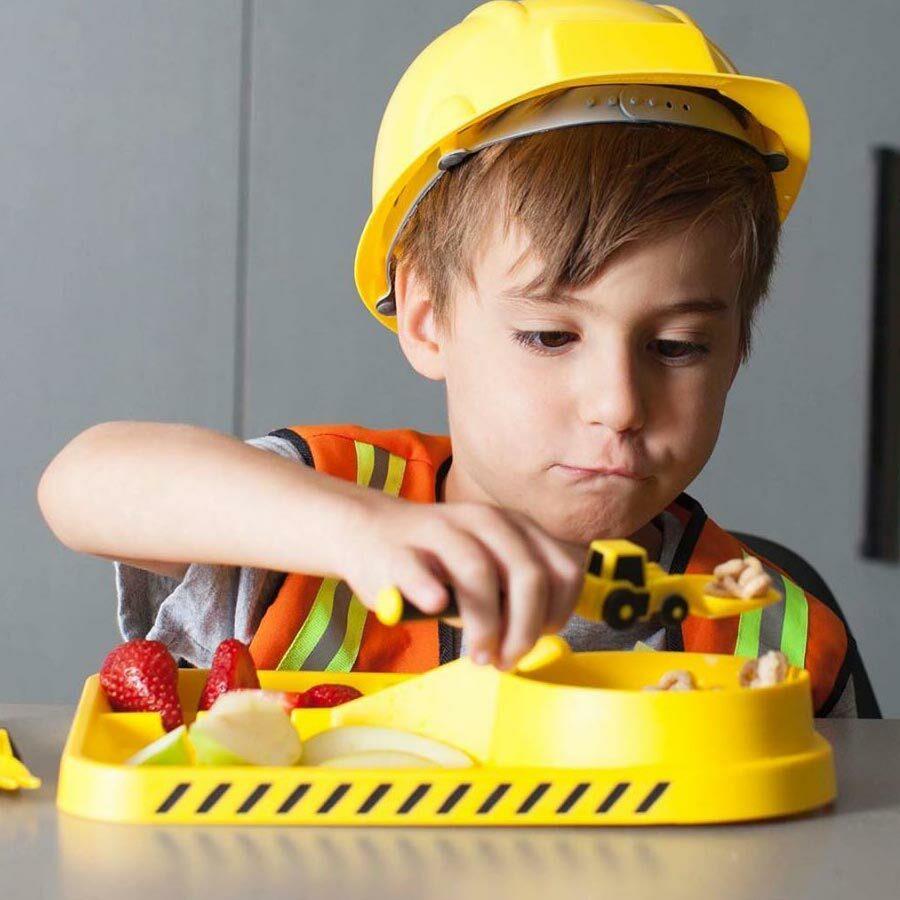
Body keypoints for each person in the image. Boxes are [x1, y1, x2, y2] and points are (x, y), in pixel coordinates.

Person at [37, 0, 857, 715]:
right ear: (427, 318)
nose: (619, 404)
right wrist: (355, 530)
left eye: (677, 347)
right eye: (550, 336)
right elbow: (82, 483)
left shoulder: (783, 636)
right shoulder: (316, 512)